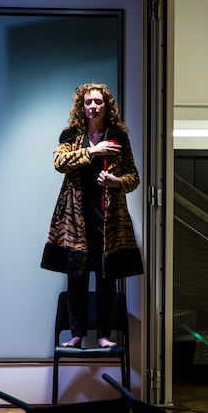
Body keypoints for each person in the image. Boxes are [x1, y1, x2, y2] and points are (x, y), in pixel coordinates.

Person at [41, 82, 143, 348]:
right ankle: (77, 335)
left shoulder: (118, 136)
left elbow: (134, 178)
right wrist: (93, 152)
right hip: (75, 220)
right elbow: (58, 162)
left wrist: (115, 181)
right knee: (76, 280)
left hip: (109, 220)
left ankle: (104, 335)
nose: (93, 106)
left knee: (107, 282)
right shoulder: (71, 134)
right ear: (81, 106)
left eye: (98, 102)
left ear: (106, 106)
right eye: (88, 102)